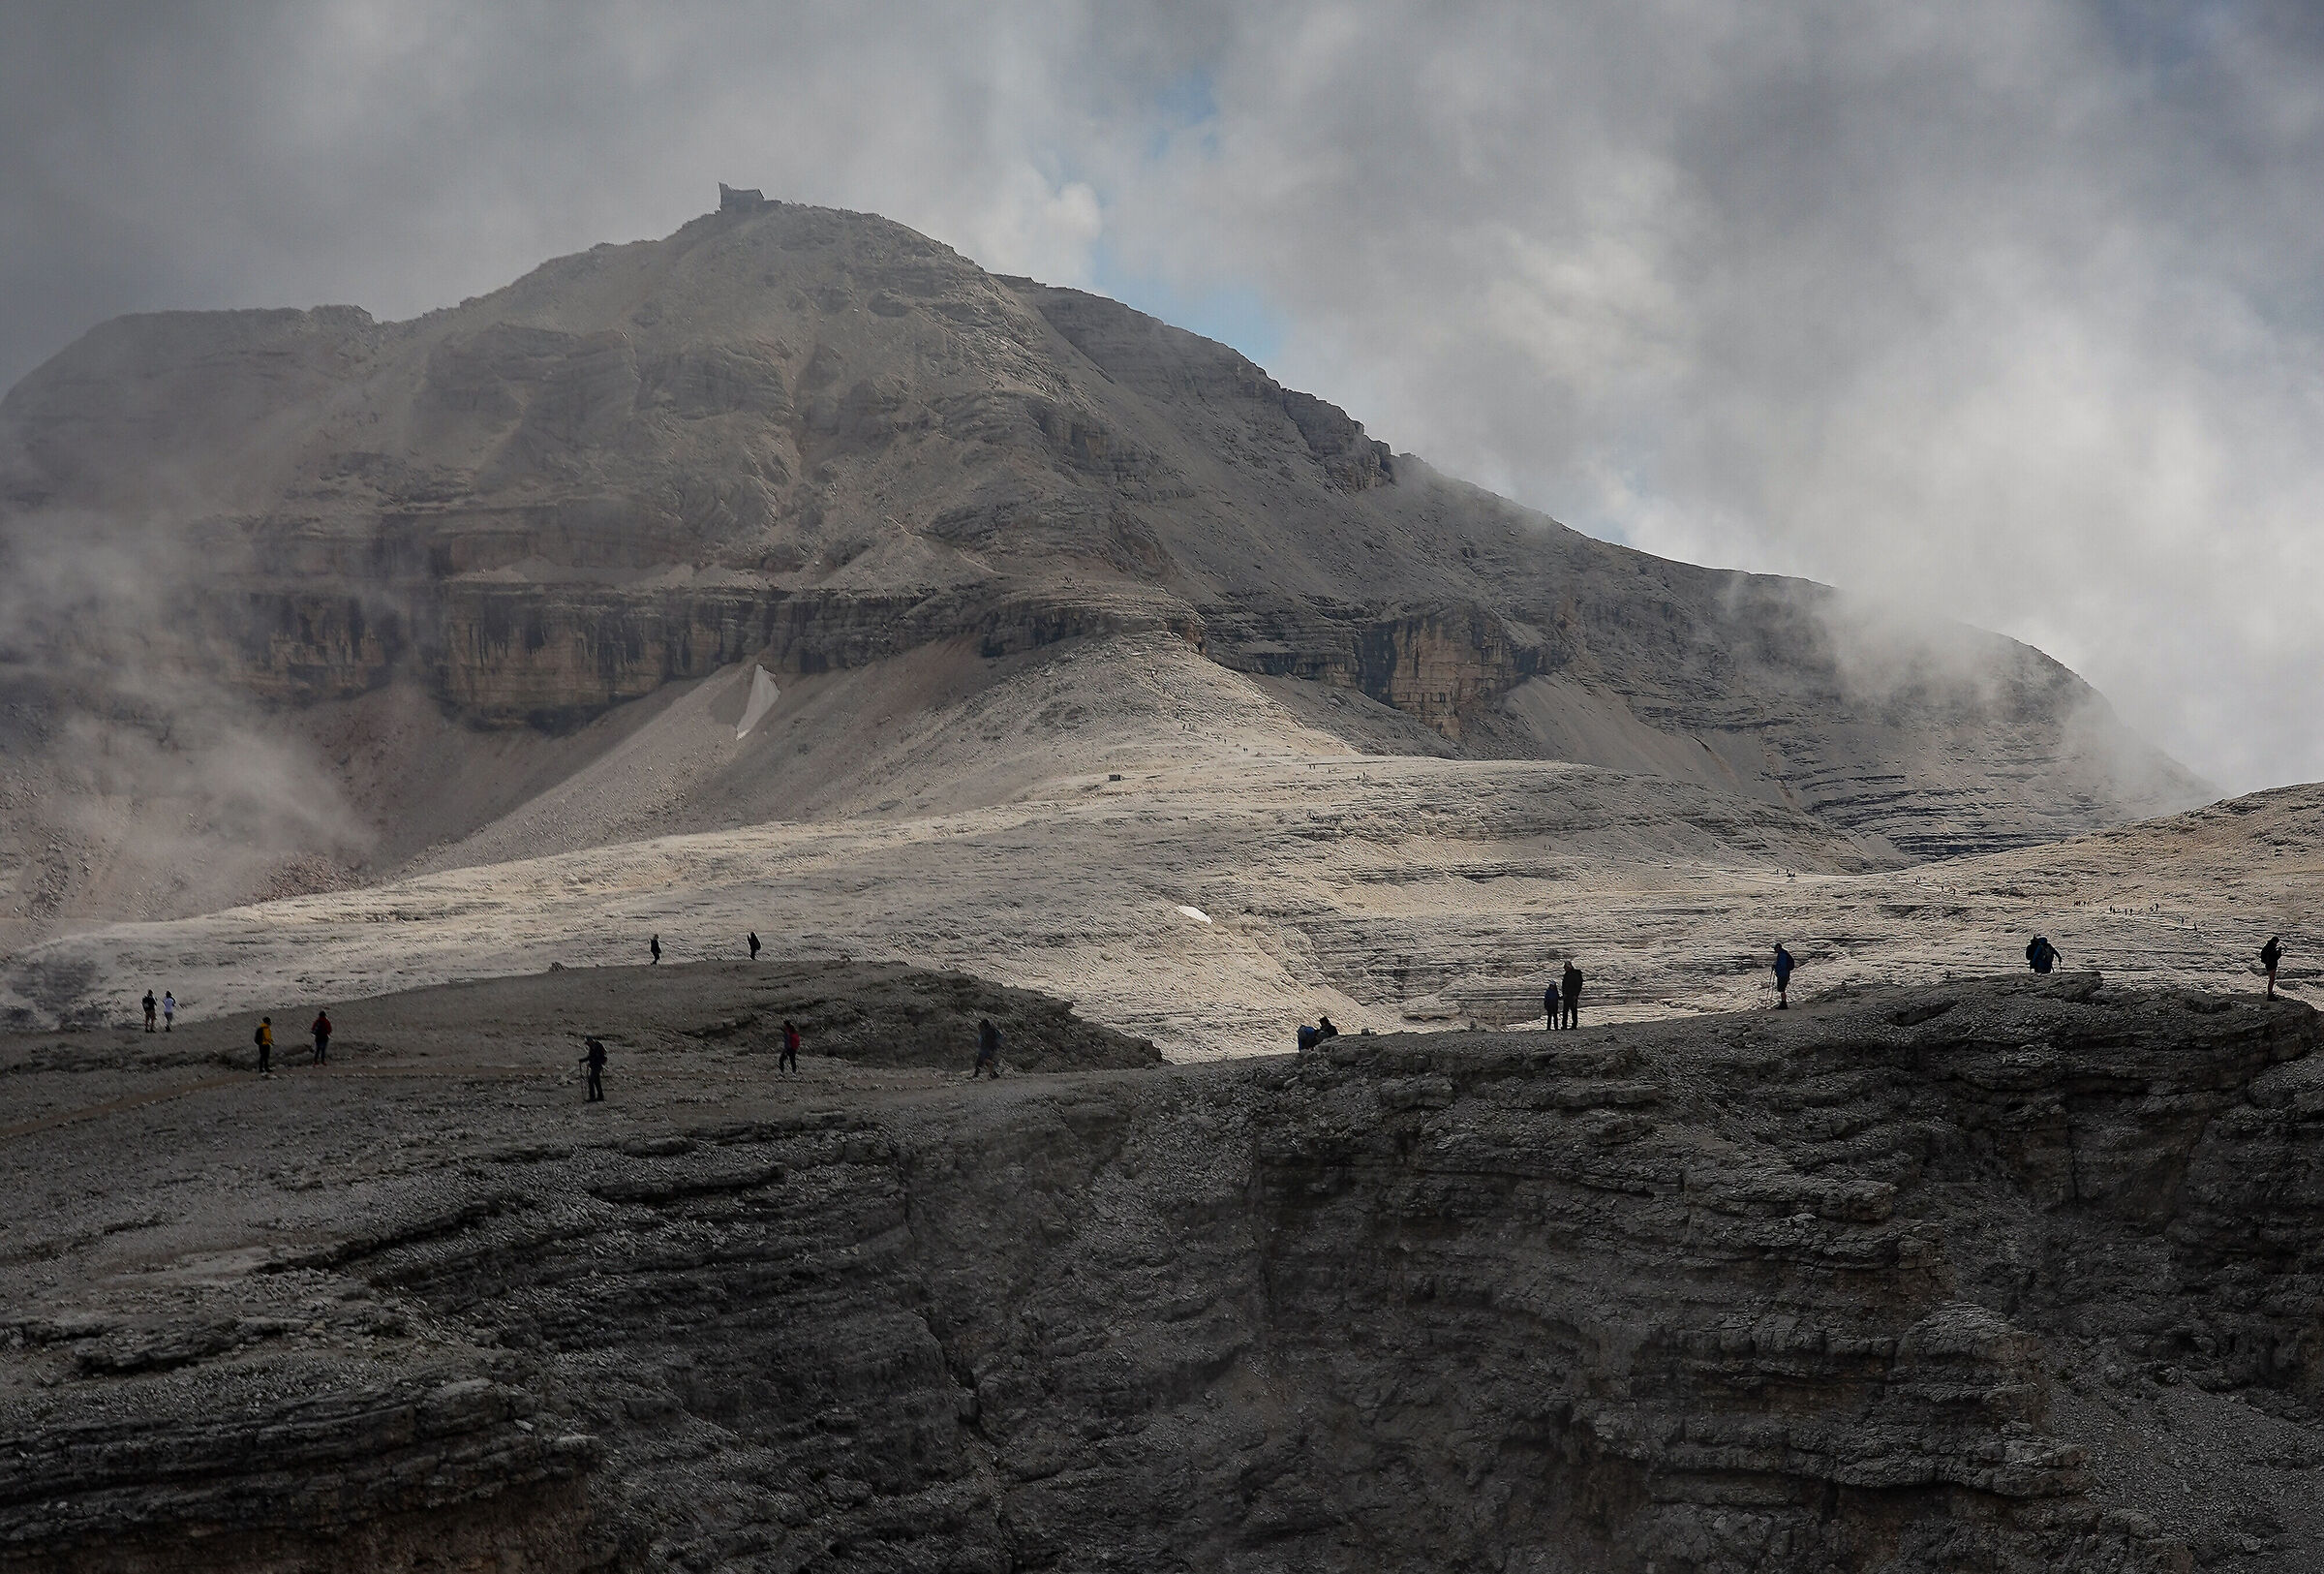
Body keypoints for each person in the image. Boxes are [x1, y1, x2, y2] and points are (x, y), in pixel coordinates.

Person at [580, 1036, 606, 1101]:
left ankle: (592, 1097)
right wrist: (583, 1060)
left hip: (597, 1066)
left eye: (588, 1043)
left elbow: (595, 1057)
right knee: (597, 1081)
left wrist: (588, 1060)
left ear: (590, 1041)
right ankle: (600, 1096)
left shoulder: (598, 1046)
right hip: (595, 1066)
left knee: (591, 1080)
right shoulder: (592, 1047)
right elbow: (590, 1057)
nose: (587, 1045)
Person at [1561, 960, 1584, 1030]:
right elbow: (1564, 985)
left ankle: (1574, 1025)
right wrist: (1564, 993)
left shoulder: (1575, 974)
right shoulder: (1567, 974)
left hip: (1572, 995)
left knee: (1573, 1010)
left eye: (1565, 967)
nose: (1565, 969)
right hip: (1567, 995)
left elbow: (1578, 985)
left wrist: (1575, 994)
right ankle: (1564, 1025)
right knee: (1565, 1011)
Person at [2261, 935, 2283, 1000]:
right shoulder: (2271, 948)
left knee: (2271, 979)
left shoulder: (2268, 946)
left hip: (2269, 964)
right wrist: (2279, 953)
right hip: (2271, 965)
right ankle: (2270, 995)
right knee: (2272, 979)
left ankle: (2270, 993)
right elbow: (2274, 957)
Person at [1773, 943, 1794, 1009]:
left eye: (1775, 948)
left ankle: (1784, 1003)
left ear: (1778, 948)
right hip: (1784, 974)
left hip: (1783, 974)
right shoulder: (1783, 953)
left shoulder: (1782, 955)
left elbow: (1782, 965)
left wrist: (1776, 967)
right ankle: (1783, 1003)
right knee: (1782, 989)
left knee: (1782, 989)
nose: (1774, 950)